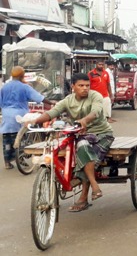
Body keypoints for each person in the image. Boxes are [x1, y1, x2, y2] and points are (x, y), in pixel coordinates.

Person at [29, 73, 114, 212]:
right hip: (80, 134)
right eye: (81, 86)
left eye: (87, 85)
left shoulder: (95, 96)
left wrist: (85, 120)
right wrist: (34, 121)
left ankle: (89, 190)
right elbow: (52, 112)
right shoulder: (68, 100)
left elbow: (96, 112)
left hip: (101, 134)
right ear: (73, 87)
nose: (85, 88)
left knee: (82, 147)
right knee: (77, 147)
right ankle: (88, 184)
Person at [0, 66, 54, 169]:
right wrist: (51, 103)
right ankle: (20, 158)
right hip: (20, 114)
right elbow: (39, 98)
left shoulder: (5, 87)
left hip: (6, 115)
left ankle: (7, 163)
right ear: (22, 75)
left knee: (7, 139)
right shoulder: (24, 87)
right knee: (21, 137)